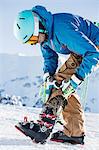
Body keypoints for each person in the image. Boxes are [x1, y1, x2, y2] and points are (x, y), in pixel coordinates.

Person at [13, 5, 99, 144]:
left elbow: (93, 53)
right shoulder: (45, 36)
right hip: (84, 49)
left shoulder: (62, 30)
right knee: (60, 83)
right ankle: (74, 133)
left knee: (62, 80)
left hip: (93, 47)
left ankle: (44, 127)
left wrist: (77, 78)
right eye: (30, 42)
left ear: (39, 26)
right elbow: (49, 58)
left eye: (33, 39)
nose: (34, 43)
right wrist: (48, 75)